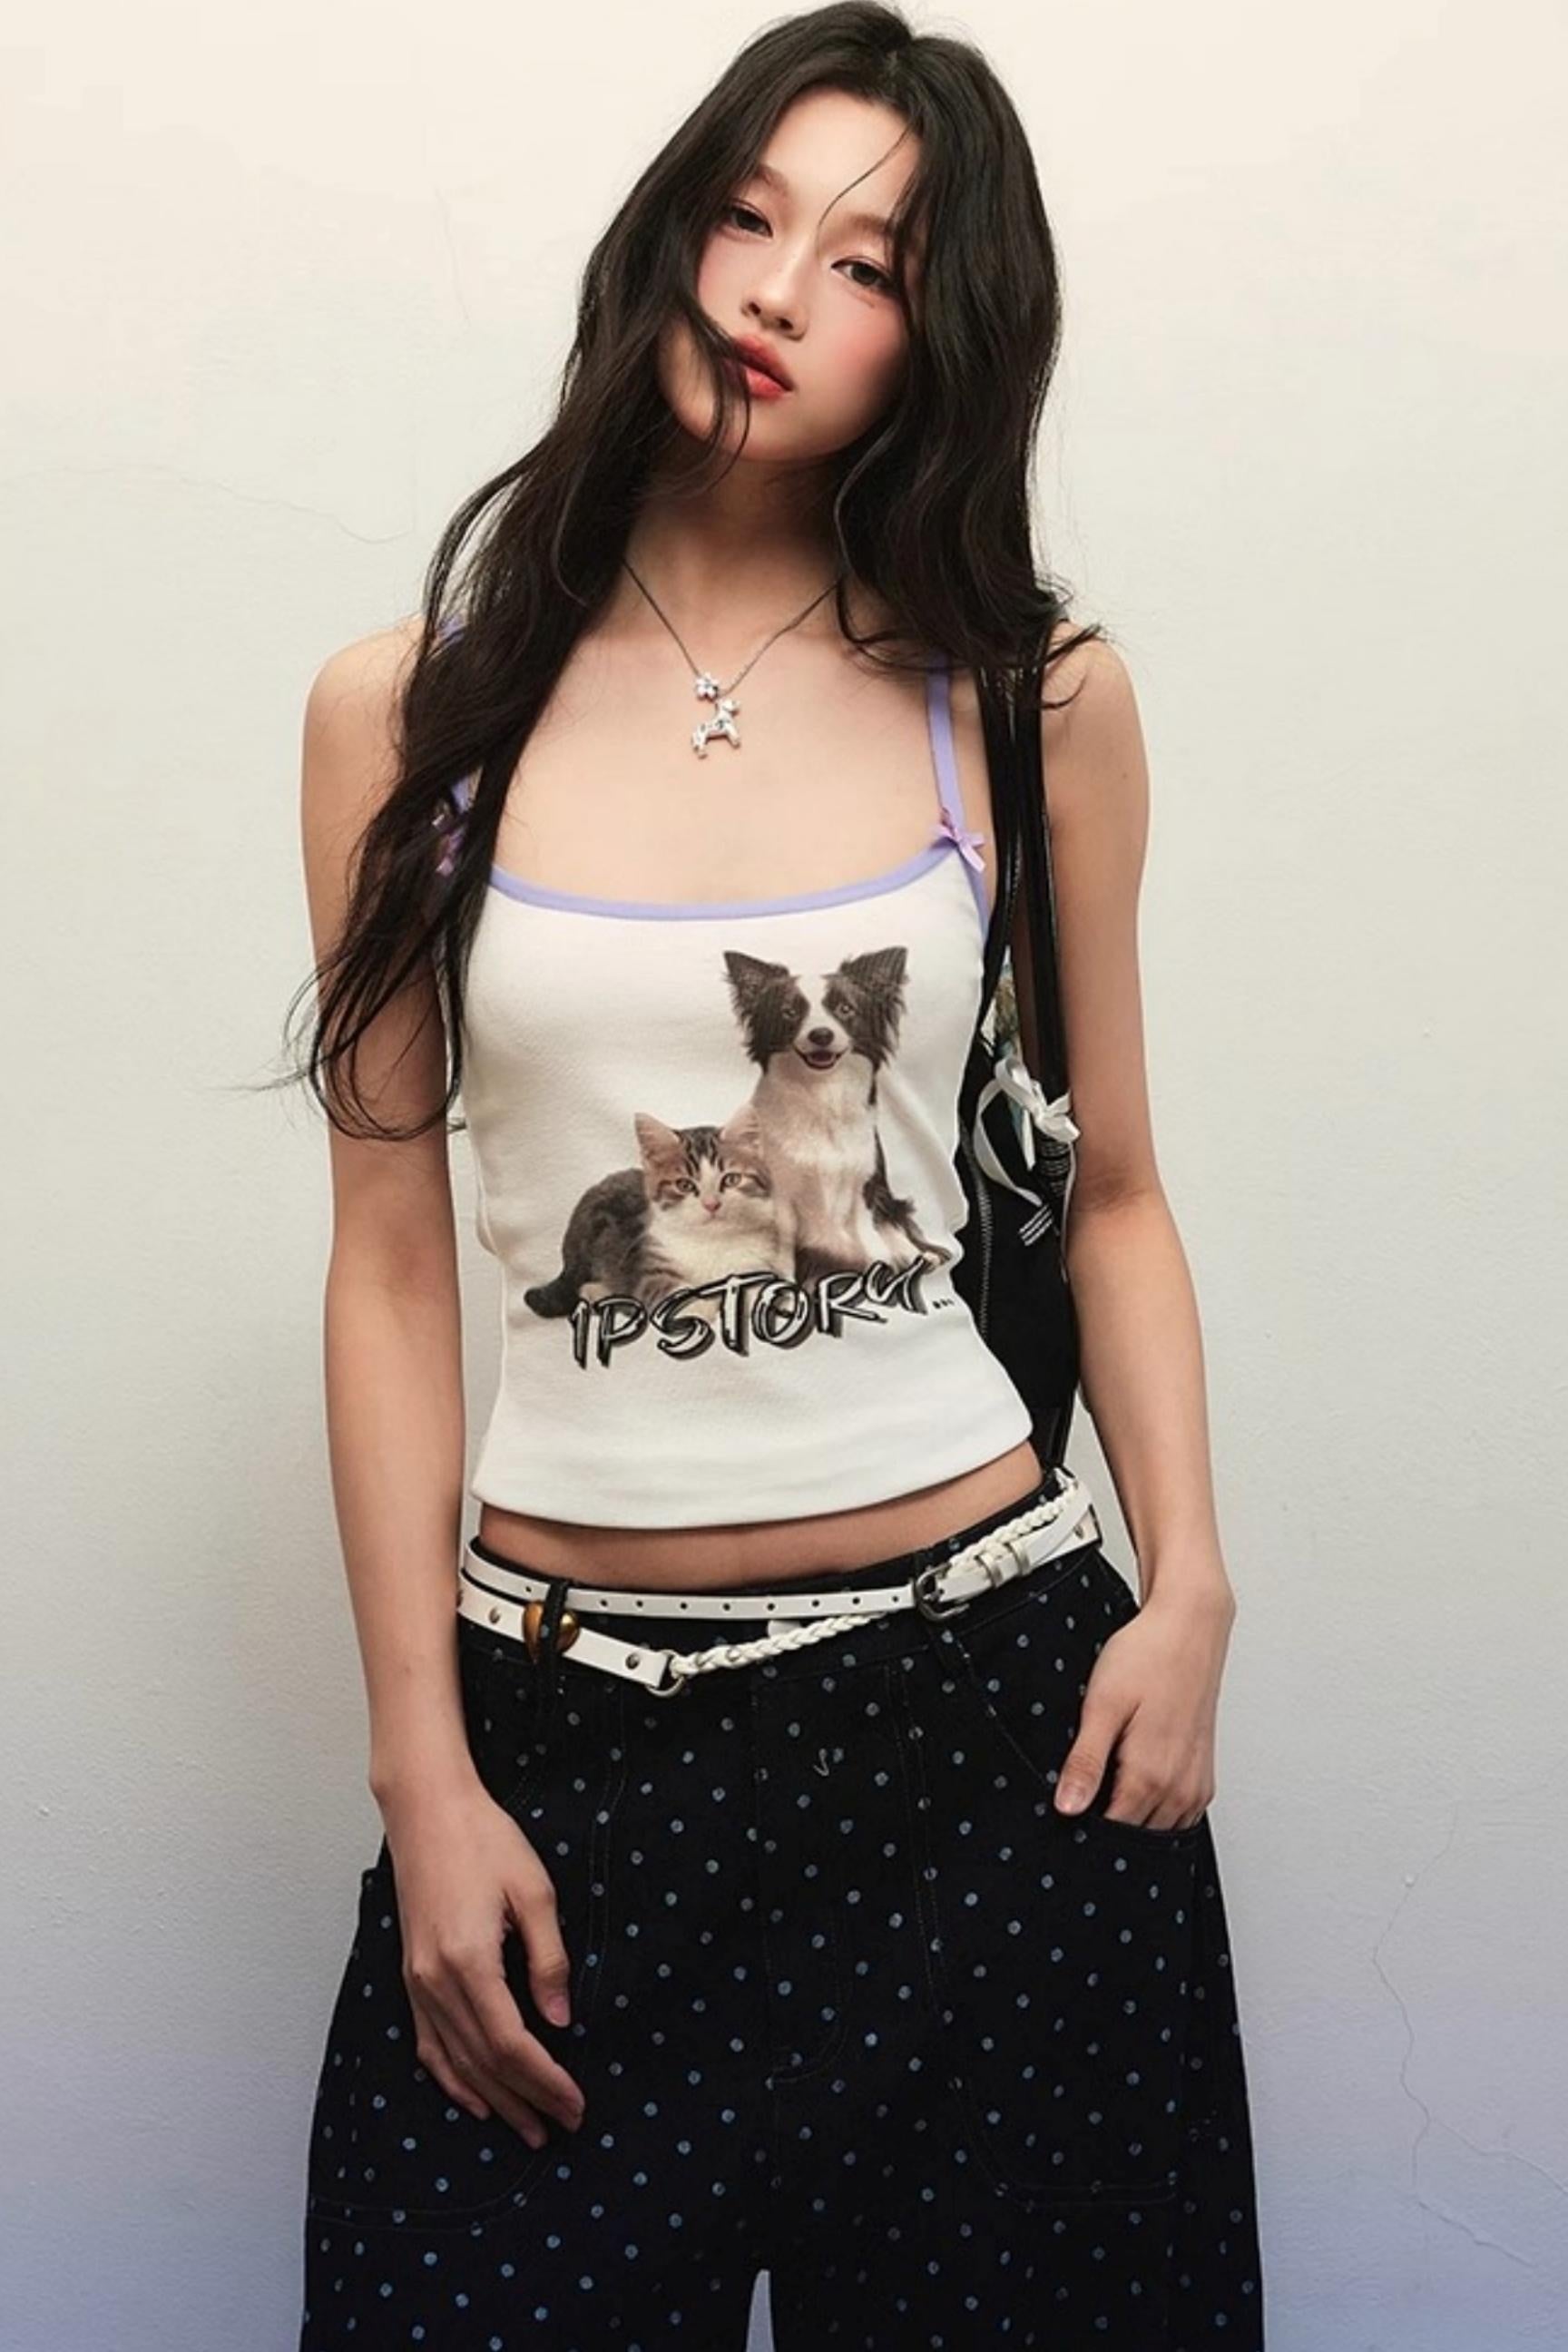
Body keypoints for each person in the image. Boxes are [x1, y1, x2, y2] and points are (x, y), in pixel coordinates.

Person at [286, 5, 1265, 2343]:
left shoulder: (1025, 700)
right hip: (564, 1758)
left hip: (993, 1746)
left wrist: (1192, 1591)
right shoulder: (407, 717)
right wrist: (425, 1771)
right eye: (747, 214)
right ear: (669, 234)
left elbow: (1114, 1192)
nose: (774, 288)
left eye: (867, 263)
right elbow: (393, 1267)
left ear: (947, 338)